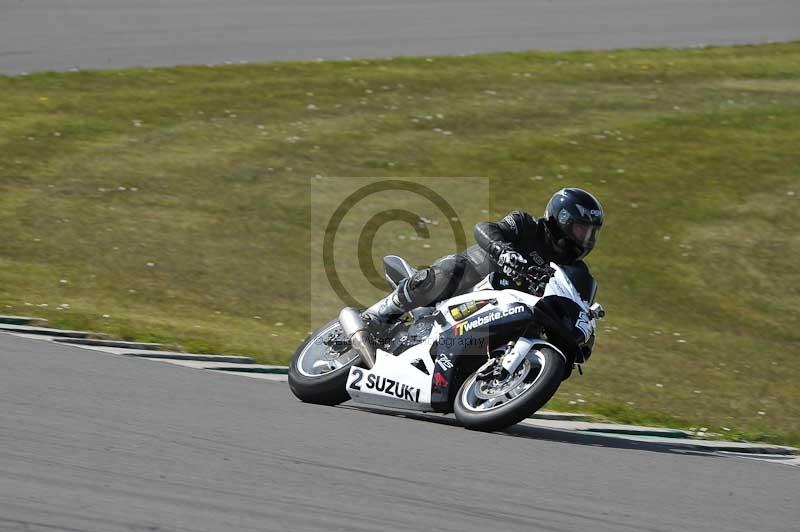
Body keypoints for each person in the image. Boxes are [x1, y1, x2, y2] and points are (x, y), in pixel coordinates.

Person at [364, 188, 604, 346]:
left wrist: (583, 336)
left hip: (509, 313)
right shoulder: (527, 225)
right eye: (582, 230)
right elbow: (485, 228)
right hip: (476, 284)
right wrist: (503, 250)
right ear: (561, 221)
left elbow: (578, 306)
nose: (586, 239)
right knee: (457, 269)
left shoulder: (578, 273)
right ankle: (378, 315)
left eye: (592, 233)